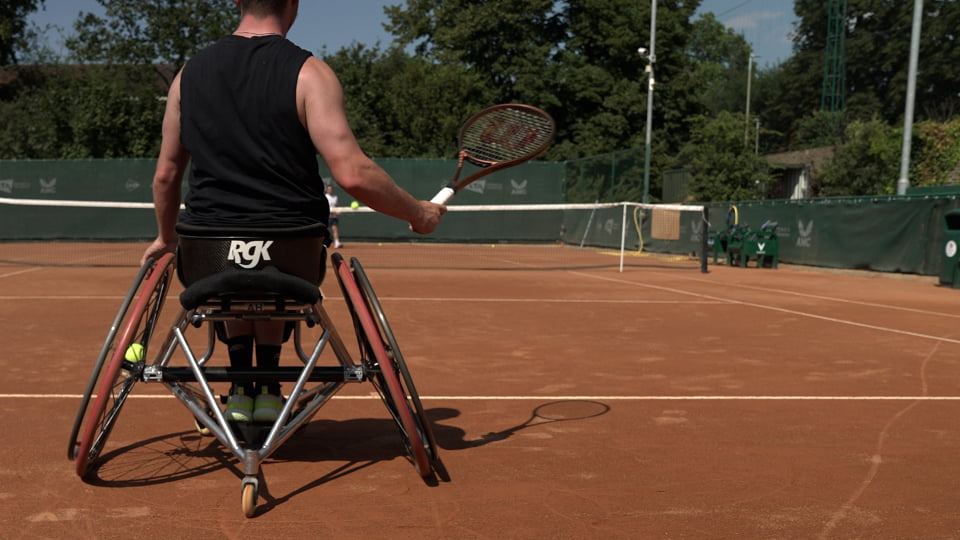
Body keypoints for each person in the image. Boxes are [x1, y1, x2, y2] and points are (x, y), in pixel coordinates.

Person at [141, 0, 446, 423]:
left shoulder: (187, 76)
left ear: (236, 1)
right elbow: (353, 174)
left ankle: (242, 384)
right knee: (269, 271)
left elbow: (165, 175)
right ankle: (266, 387)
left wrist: (165, 238)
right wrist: (418, 213)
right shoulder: (310, 73)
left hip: (206, 252)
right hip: (292, 252)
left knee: (231, 268)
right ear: (293, 3)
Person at [324, 184, 343, 248]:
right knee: (325, 230)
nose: (330, 190)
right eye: (328, 189)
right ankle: (324, 243)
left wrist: (338, 211)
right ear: (327, 190)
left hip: (334, 217)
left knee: (335, 229)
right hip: (327, 217)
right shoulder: (325, 197)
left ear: (332, 190)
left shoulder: (335, 197)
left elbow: (337, 206)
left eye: (331, 189)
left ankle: (337, 243)